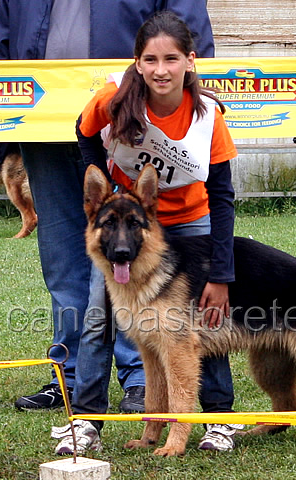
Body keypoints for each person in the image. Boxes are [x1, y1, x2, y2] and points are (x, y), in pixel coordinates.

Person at [0, 0, 215, 414]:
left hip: (128, 126)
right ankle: (68, 377)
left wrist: (179, 105)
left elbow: (188, 28)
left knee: (132, 256)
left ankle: (140, 378)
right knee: (62, 262)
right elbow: (2, 44)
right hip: (40, 129)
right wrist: (0, 123)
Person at [51, 10, 241, 455]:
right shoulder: (114, 99)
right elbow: (83, 132)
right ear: (137, 63)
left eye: (171, 59)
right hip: (132, 219)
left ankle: (218, 420)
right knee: (98, 316)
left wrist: (221, 273)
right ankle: (88, 420)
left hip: (190, 220)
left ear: (190, 61)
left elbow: (223, 193)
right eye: (151, 60)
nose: (161, 70)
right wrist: (111, 190)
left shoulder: (207, 116)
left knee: (202, 322)